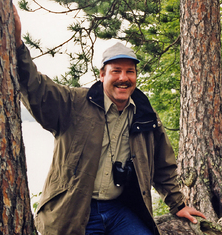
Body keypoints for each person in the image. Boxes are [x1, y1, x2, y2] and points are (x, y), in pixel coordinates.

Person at [13, 6, 205, 235]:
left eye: (130, 71)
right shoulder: (74, 103)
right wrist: (17, 45)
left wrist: (179, 205)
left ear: (135, 76)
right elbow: (37, 89)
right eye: (116, 71)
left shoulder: (146, 116)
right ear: (102, 74)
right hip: (75, 211)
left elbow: (163, 166)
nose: (123, 78)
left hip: (118, 210)